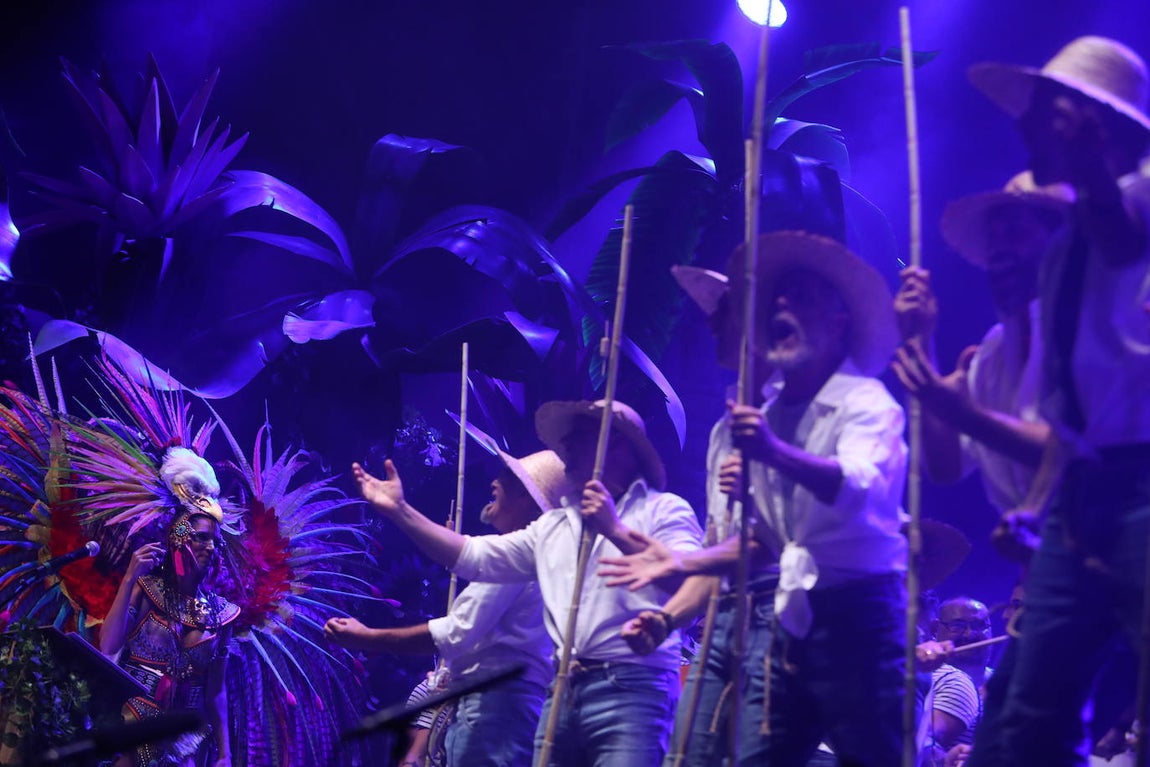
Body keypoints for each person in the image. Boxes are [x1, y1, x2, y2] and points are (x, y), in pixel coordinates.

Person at [600, 231, 907, 766]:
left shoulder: (865, 402)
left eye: (803, 298)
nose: (783, 307)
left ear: (839, 321)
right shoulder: (758, 422)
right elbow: (765, 540)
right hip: (786, 617)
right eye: (778, 299)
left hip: (857, 612)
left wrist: (774, 456)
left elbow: (861, 487)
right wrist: (683, 559)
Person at [961, 36, 1150, 767]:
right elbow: (1065, 417)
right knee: (1029, 720)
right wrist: (1038, 505)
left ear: (1088, 123)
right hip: (1083, 495)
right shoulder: (1062, 256)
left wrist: (1096, 174)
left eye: (1041, 115)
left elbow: (1123, 236)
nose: (1021, 130)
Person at [350, 400, 703, 766]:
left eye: (578, 436)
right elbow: (475, 556)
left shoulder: (664, 509)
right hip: (563, 690)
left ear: (614, 446)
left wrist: (614, 529)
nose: (565, 444)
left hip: (632, 685)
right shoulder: (557, 526)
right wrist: (400, 511)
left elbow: (690, 581)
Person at [326, 449, 567, 767]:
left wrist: (367, 637)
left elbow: (455, 634)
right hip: (500, 704)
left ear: (526, 499)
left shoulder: (512, 566)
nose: (494, 482)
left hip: (496, 707)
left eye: (508, 478)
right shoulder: (528, 560)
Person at [893, 171, 1072, 561]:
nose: (998, 250)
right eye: (993, 237)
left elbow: (1073, 447)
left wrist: (966, 415)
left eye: (1015, 232)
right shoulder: (993, 351)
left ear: (1058, 240)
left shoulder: (1086, 327)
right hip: (1043, 558)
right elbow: (945, 466)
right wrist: (921, 338)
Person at [99, 447, 238, 767]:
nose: (211, 547)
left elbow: (215, 691)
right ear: (179, 538)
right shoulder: (147, 589)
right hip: (132, 723)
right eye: (202, 538)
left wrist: (224, 753)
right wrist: (130, 577)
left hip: (184, 742)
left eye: (215, 541)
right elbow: (108, 644)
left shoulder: (221, 614)